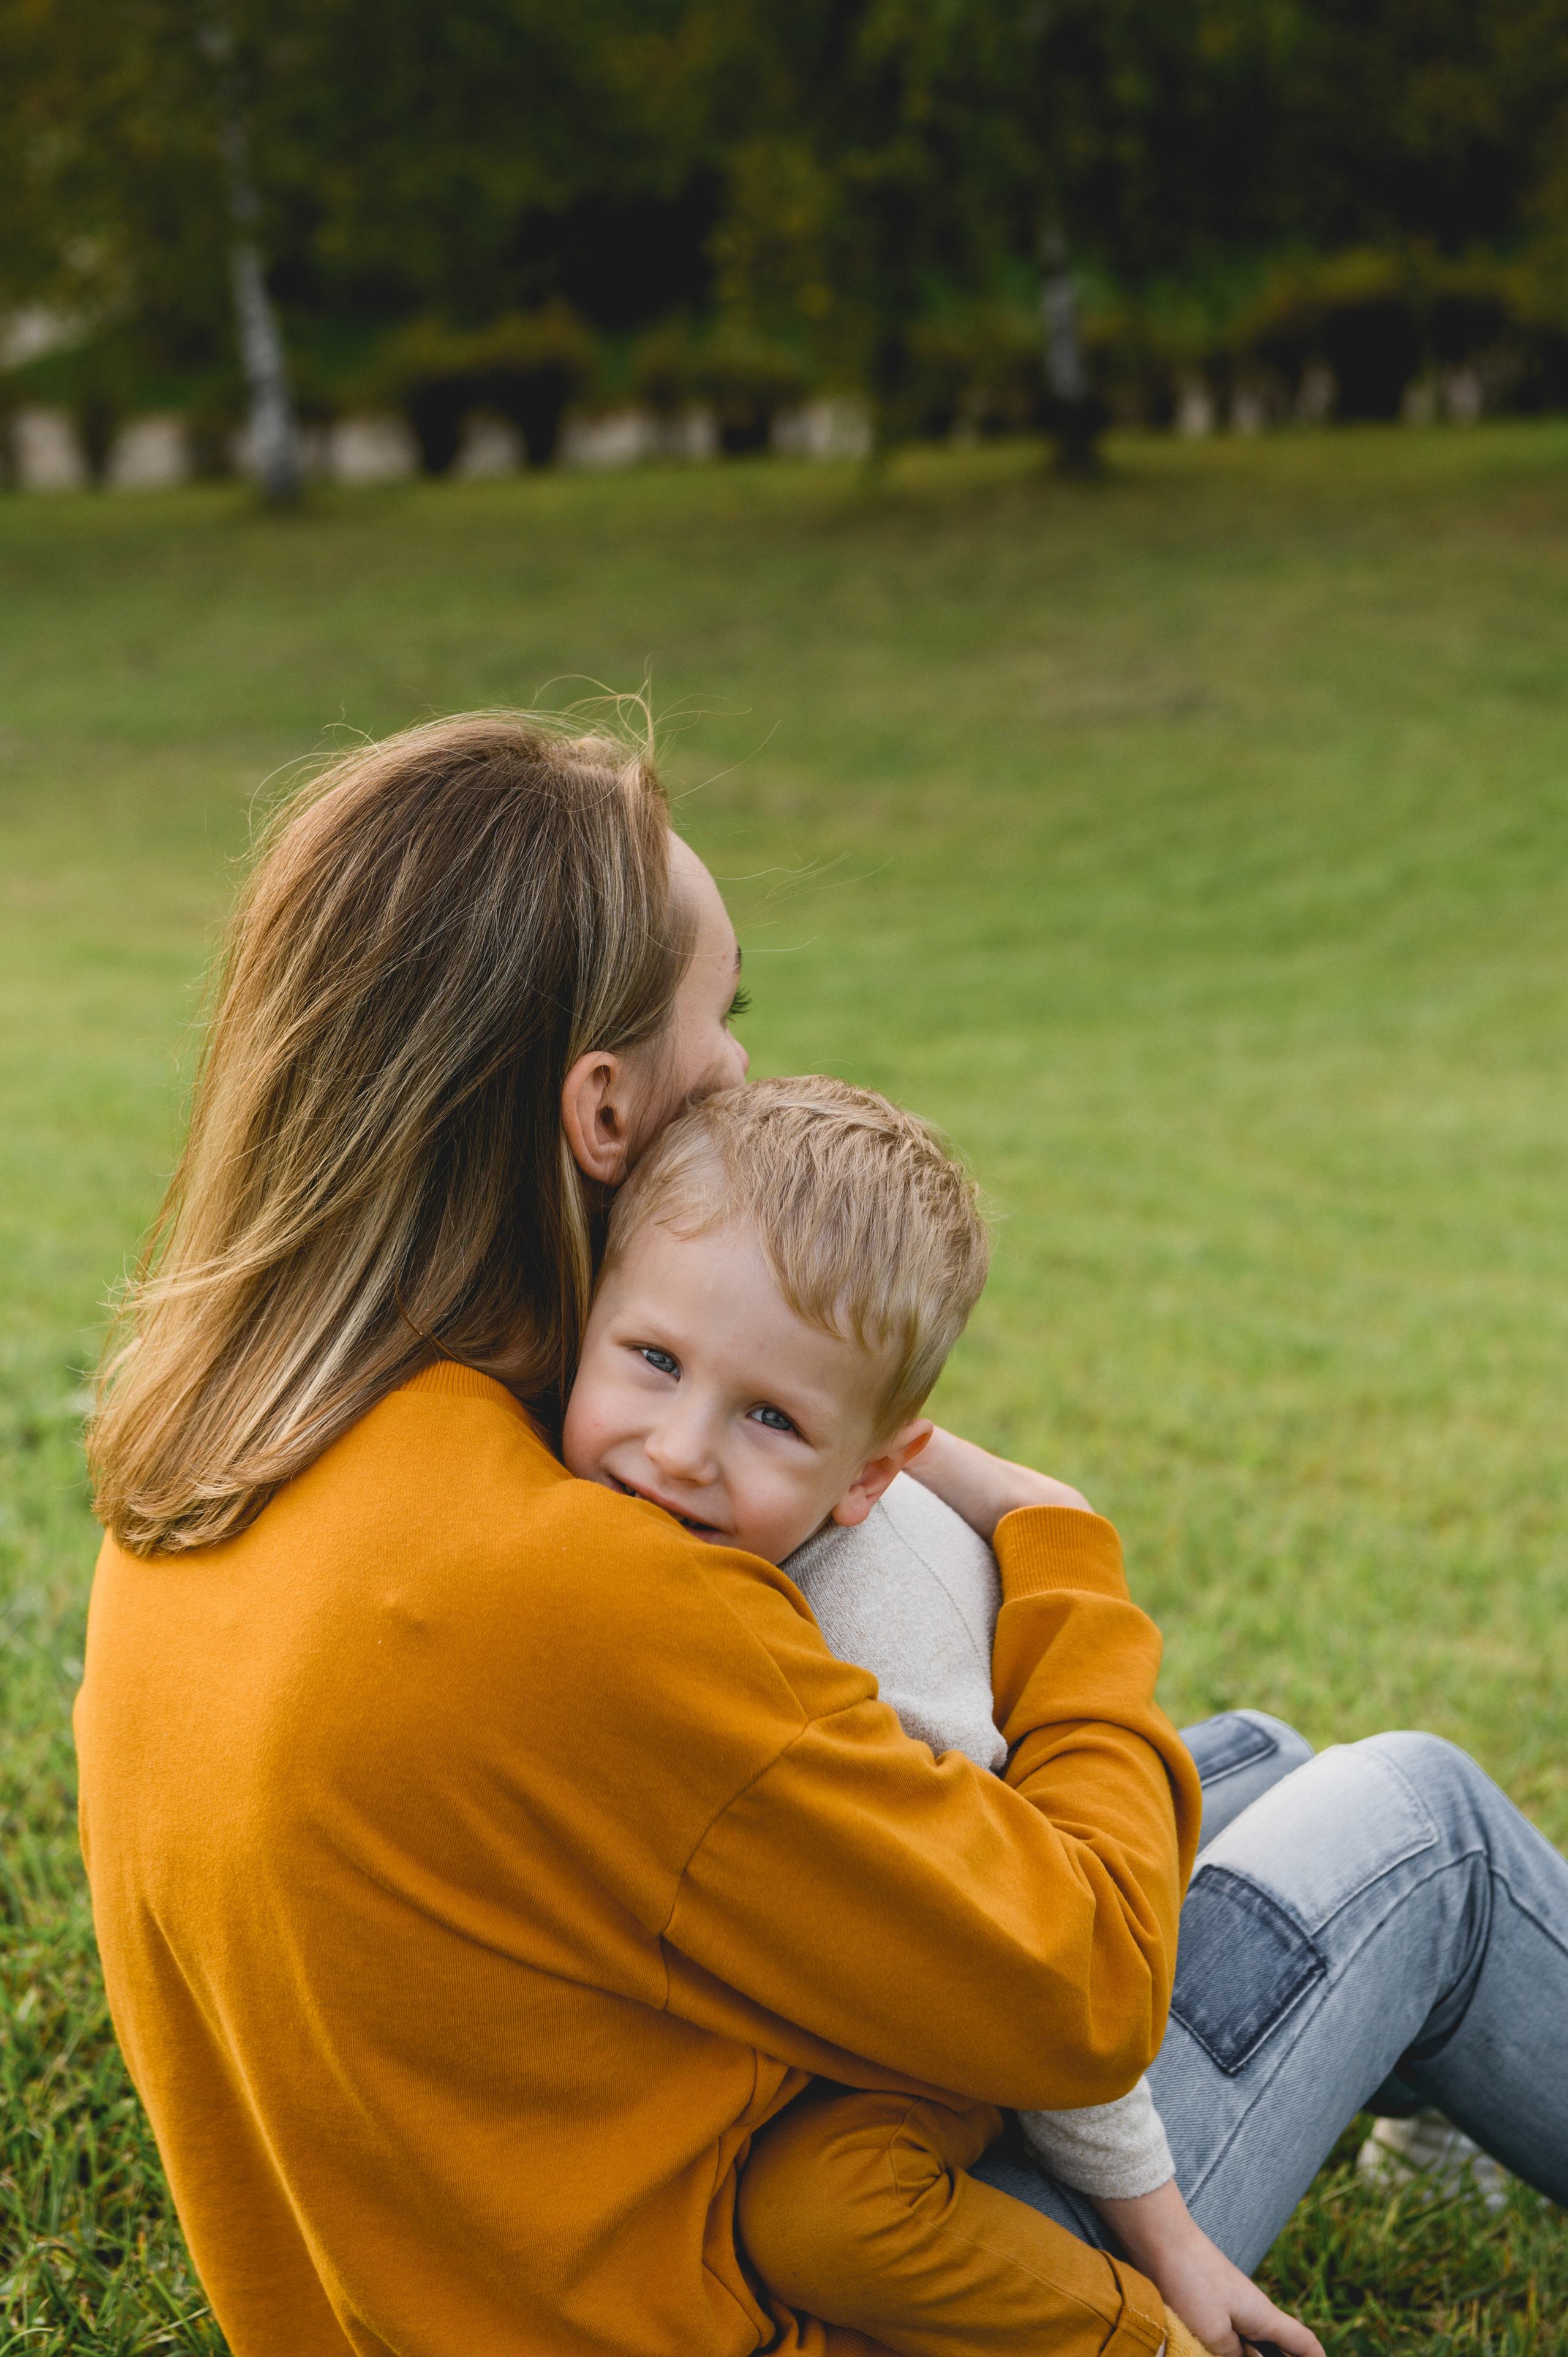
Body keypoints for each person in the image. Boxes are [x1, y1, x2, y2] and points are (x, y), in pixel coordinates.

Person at [74, 713, 1568, 2357]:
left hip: (496, 2246)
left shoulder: (219, 1469)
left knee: (1254, 1764)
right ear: (602, 1110)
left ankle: (1406, 2070)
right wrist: (1060, 1544)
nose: (735, 1075)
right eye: (724, 1020)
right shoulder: (573, 1589)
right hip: (818, 2294)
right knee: (1419, 1831)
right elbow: (1084, 1992)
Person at [559, 1071, 1318, 2357]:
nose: (678, 1448)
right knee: (1253, 1770)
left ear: (865, 1477)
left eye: (769, 1417)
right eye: (655, 1361)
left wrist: (1167, 2235)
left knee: (819, 2208)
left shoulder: (883, 1661)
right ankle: (1281, 1785)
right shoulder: (626, 1492)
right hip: (890, 1908)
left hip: (971, 1965)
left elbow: (1039, 1977)